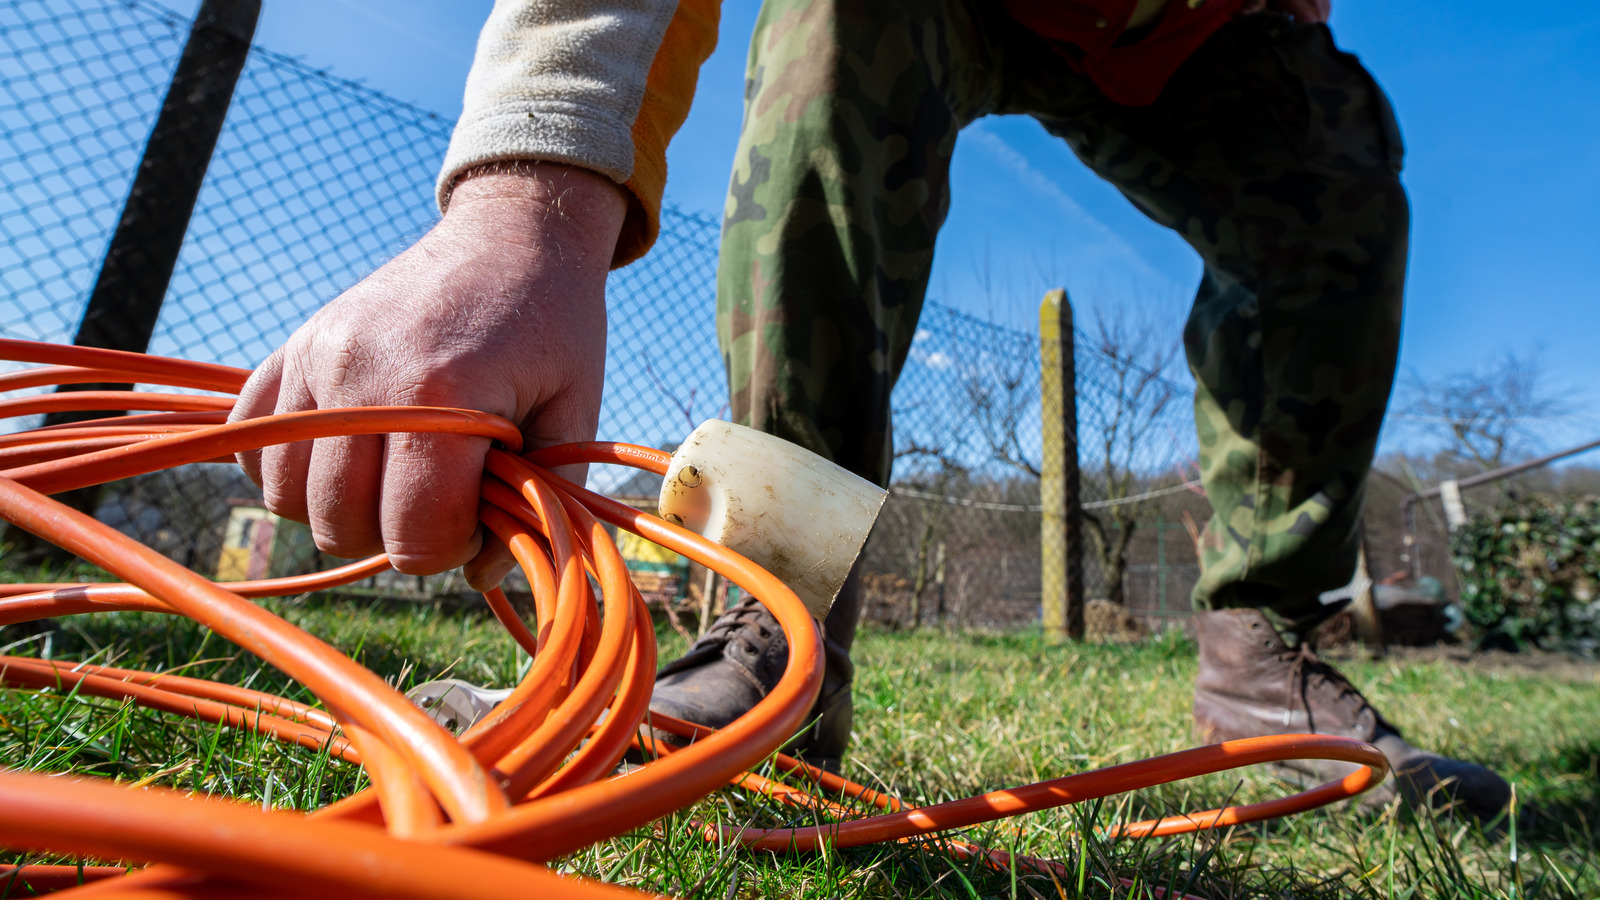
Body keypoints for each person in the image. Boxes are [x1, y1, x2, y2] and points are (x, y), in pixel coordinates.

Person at [234, 0, 1509, 818]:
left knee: (1330, 174)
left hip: (1177, 23)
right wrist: (528, 192)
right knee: (830, 40)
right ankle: (769, 646)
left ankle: (1261, 670)